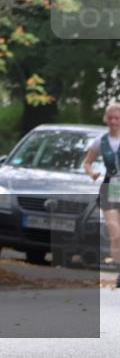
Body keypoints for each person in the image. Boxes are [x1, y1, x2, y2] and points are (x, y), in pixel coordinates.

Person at [82, 102, 120, 288]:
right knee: (116, 234)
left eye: (117, 118)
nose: (113, 122)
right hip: (109, 186)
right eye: (111, 118)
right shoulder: (100, 141)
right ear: (106, 119)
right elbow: (87, 162)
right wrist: (92, 174)